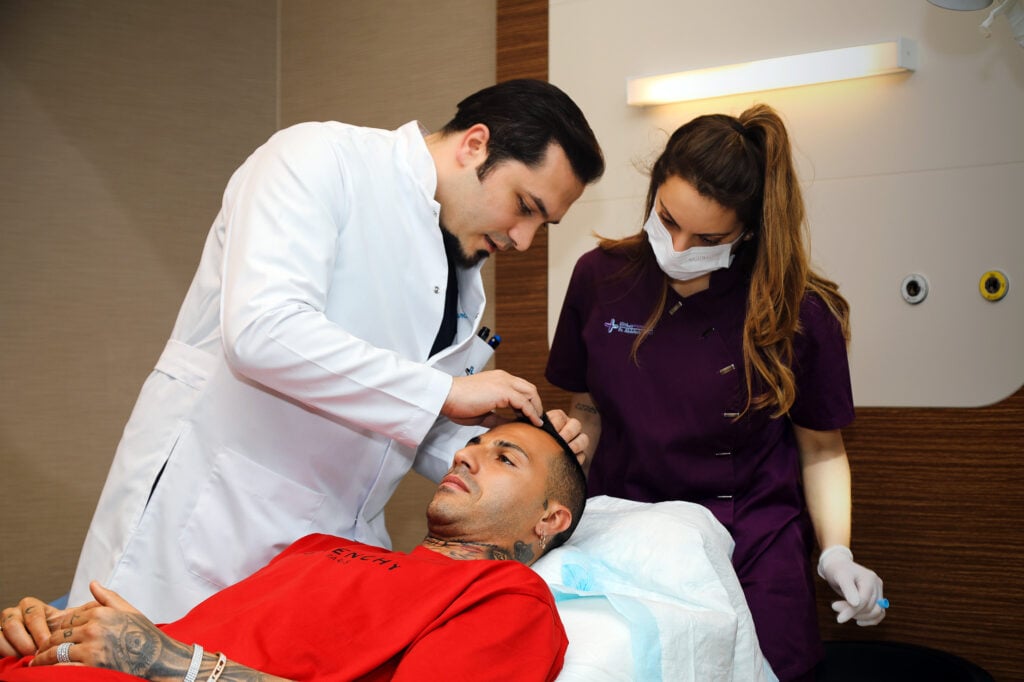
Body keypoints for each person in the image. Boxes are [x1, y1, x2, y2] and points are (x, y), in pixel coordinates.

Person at [67, 78, 604, 623]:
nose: (524, 240)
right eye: (524, 207)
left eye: (543, 223)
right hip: (212, 519)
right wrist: (445, 391)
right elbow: (262, 330)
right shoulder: (319, 160)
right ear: (475, 145)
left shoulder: (456, 257)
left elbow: (393, 414)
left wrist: (520, 456)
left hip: (334, 546)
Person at [545, 104, 884, 682]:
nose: (676, 245)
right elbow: (587, 407)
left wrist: (836, 552)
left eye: (707, 237)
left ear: (748, 230)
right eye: (667, 218)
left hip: (747, 541)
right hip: (624, 531)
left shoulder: (798, 312)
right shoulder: (600, 277)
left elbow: (822, 449)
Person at [0, 418, 587, 681]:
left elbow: (178, 661)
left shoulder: (510, 599)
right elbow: (203, 641)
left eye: (504, 458)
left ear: (549, 519)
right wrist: (59, 633)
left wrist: (175, 665)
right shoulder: (320, 549)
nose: (465, 455)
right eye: (474, 442)